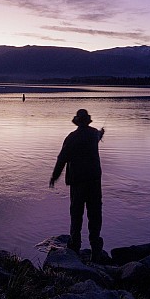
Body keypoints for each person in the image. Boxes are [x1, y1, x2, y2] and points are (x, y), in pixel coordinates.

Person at [49, 108, 105, 255]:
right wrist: (101, 133)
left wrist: (54, 177)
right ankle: (96, 248)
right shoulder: (94, 134)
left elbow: (62, 159)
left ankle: (74, 245)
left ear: (77, 122)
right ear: (87, 121)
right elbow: (98, 135)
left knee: (76, 213)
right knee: (95, 214)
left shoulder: (72, 137)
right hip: (94, 181)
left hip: (77, 181)